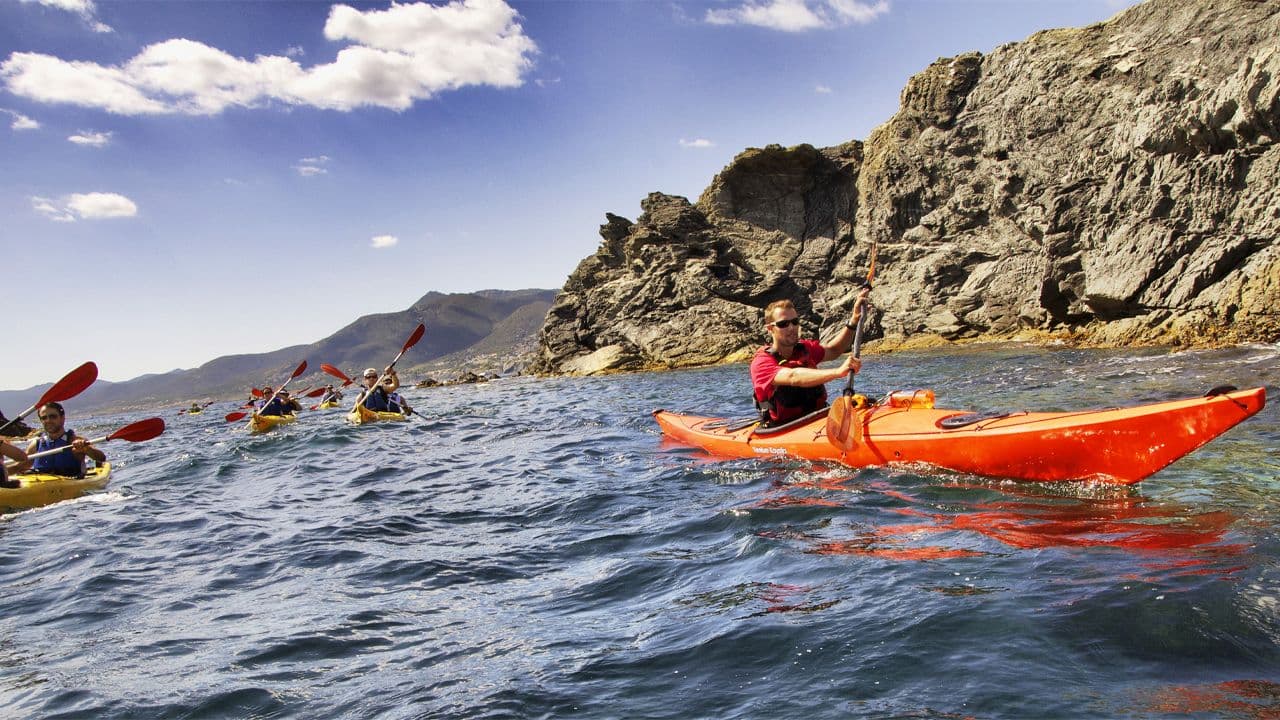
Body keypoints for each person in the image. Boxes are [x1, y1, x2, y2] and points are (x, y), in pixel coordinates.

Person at [750, 288, 870, 426]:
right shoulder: (761, 362)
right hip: (783, 427)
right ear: (770, 329)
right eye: (783, 324)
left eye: (795, 322)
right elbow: (793, 377)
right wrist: (837, 372)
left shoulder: (805, 349)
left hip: (818, 419)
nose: (791, 328)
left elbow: (834, 350)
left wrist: (854, 320)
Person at [16, 402, 106, 478]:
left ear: (62, 418)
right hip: (42, 485)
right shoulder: (36, 444)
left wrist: (86, 449)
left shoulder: (75, 440)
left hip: (71, 484)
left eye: (53, 416)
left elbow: (101, 458)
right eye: (44, 418)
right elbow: (19, 467)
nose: (48, 420)